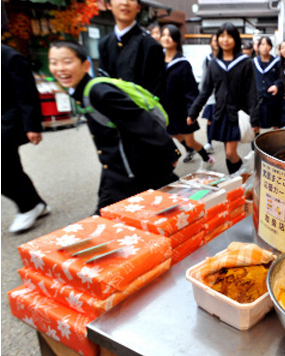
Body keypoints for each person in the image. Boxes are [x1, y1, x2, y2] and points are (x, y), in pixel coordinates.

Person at [48, 40, 180, 214]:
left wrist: (171, 152)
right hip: (116, 170)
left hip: (133, 172)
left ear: (85, 65)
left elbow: (142, 121)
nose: (60, 68)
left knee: (159, 215)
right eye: (53, 62)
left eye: (67, 62)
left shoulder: (98, 93)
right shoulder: (84, 91)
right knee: (106, 217)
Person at [188, 23, 259, 174]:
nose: (225, 40)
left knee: (230, 153)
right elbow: (205, 91)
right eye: (222, 36)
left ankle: (243, 177)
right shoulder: (214, 63)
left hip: (237, 113)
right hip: (221, 114)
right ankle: (237, 180)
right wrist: (193, 113)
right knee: (229, 152)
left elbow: (251, 92)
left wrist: (255, 118)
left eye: (229, 36)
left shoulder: (244, 62)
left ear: (236, 39)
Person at [2, 44, 50, 233]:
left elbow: (28, 93)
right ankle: (36, 203)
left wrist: (32, 126)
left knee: (4, 166)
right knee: (10, 166)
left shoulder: (10, 56)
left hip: (11, 119)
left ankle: (28, 206)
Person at [98, 0, 166, 99]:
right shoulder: (104, 44)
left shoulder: (150, 45)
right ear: (108, 5)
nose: (125, 3)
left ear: (138, 7)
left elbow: (155, 93)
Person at [160, 25, 214, 168]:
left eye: (169, 35)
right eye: (163, 34)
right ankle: (189, 150)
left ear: (176, 40)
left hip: (183, 110)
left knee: (190, 140)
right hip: (166, 109)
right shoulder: (158, 61)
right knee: (173, 134)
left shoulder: (183, 64)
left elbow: (192, 91)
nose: (165, 38)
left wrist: (192, 112)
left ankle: (206, 158)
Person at [253, 36, 282, 130]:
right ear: (258, 47)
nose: (265, 47)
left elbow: (281, 77)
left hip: (273, 97)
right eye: (262, 44)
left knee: (275, 122)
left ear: (271, 47)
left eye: (268, 44)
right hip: (257, 97)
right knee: (256, 124)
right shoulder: (253, 62)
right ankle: (255, 143)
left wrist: (277, 85)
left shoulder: (277, 62)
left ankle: (276, 144)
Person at [200, 34, 219, 155]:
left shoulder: (228, 58)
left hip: (225, 96)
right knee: (210, 119)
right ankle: (209, 143)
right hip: (212, 95)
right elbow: (204, 76)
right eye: (214, 41)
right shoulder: (208, 58)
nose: (217, 42)